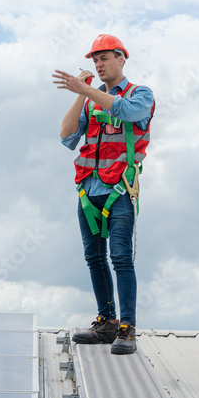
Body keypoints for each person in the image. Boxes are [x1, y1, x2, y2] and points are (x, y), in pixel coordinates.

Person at [52, 34, 155, 354]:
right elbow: (67, 136)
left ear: (122, 58)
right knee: (93, 258)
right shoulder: (91, 99)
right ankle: (106, 322)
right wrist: (80, 97)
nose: (98, 64)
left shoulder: (141, 94)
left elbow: (126, 112)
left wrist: (86, 90)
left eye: (105, 58)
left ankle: (127, 327)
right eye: (95, 60)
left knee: (121, 257)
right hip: (88, 189)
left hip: (118, 190)